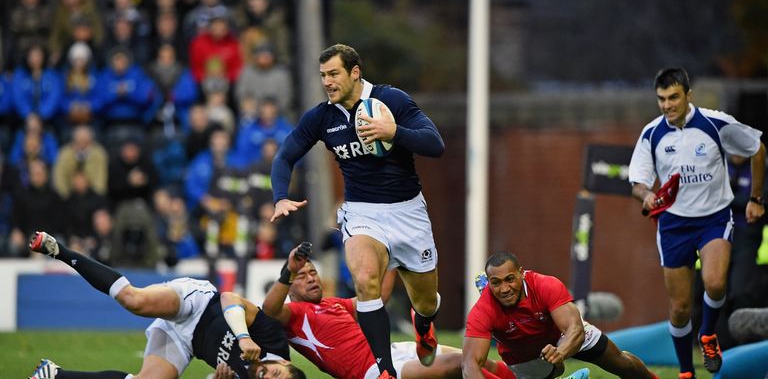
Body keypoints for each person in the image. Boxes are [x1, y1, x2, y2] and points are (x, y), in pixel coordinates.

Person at [270, 44, 446, 376]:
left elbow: (435, 144)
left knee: (425, 301)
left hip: (408, 212)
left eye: (333, 74)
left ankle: (423, 327)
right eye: (323, 76)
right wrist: (280, 196)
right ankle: (385, 370)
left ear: (355, 73)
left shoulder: (390, 100)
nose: (327, 82)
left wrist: (393, 132)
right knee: (365, 281)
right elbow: (284, 156)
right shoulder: (322, 117)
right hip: (362, 212)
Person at [628, 67, 765, 378]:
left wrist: (756, 199)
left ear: (688, 95)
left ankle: (707, 335)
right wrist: (646, 196)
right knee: (679, 309)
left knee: (715, 283)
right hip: (674, 226)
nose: (667, 105)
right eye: (662, 99)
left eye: (673, 97)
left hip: (714, 219)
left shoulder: (715, 123)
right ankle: (686, 371)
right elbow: (638, 183)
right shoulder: (652, 134)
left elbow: (758, 150)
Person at [26, 231, 304, 379]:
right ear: (283, 363)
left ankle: (54, 374)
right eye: (277, 375)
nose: (268, 378)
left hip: (186, 343)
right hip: (198, 304)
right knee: (133, 300)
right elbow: (230, 298)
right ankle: (59, 251)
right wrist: (243, 337)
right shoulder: (274, 342)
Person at [261, 243, 514, 379]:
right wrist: (288, 271)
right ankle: (424, 336)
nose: (311, 279)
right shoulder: (293, 313)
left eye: (313, 273)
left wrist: (391, 256)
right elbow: (268, 310)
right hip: (372, 373)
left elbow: (378, 299)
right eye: (302, 276)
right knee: (461, 364)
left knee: (479, 359)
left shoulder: (333, 303)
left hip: (390, 353)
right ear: (289, 287)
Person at [463, 251, 657, 379]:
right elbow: (470, 364)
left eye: (510, 279)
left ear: (521, 273)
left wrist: (561, 351)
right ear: (489, 284)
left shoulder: (545, 285)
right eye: (496, 283)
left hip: (560, 337)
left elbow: (575, 329)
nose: (504, 289)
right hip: (523, 354)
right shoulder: (482, 309)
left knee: (622, 364)